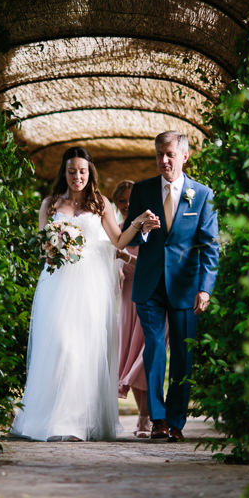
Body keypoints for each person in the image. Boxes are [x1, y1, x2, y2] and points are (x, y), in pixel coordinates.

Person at [10, 147, 159, 441]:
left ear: (89, 173)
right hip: (59, 285)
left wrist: (139, 222)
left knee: (84, 351)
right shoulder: (50, 205)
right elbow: (43, 247)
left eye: (82, 171)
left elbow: (117, 240)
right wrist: (55, 248)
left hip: (91, 286)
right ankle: (54, 419)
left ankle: (78, 422)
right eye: (71, 171)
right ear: (63, 174)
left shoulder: (101, 203)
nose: (77, 176)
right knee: (62, 346)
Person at [123, 131, 219, 442]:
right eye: (159, 155)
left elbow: (210, 246)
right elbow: (129, 235)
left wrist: (205, 288)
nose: (163, 161)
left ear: (184, 157)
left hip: (186, 287)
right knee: (154, 350)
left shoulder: (202, 195)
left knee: (182, 355)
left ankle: (177, 421)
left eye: (169, 155)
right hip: (149, 283)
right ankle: (158, 419)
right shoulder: (142, 190)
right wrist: (144, 231)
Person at [111, 180, 155, 438]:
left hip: (150, 297)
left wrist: (125, 258)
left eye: (131, 200)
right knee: (133, 359)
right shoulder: (117, 230)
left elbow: (150, 265)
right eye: (122, 201)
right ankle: (143, 417)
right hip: (127, 301)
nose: (127, 205)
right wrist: (116, 269)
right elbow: (111, 259)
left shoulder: (151, 228)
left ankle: (150, 416)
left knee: (146, 357)